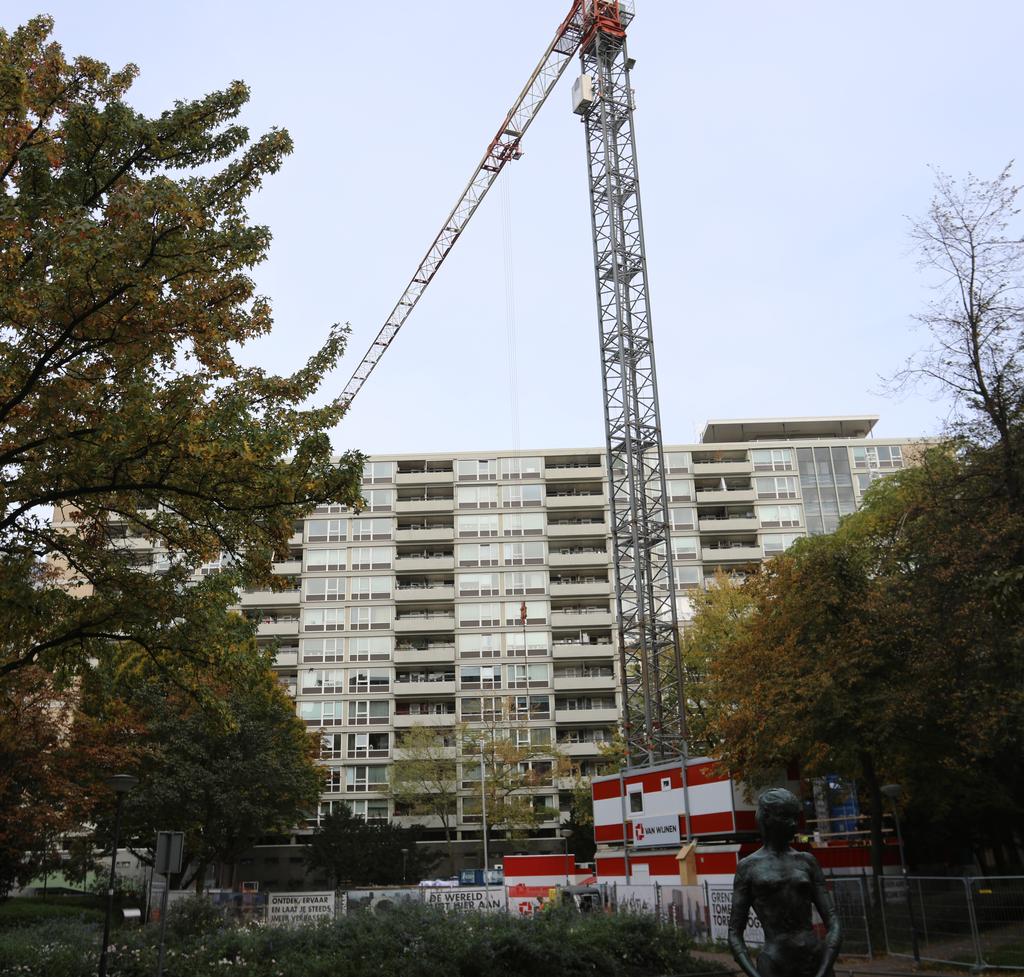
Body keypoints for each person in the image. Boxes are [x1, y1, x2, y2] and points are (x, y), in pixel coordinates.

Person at [728, 788, 842, 977]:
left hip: (815, 960)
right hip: (775, 963)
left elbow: (834, 922)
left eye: (794, 817)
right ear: (766, 818)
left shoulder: (807, 861)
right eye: (785, 817)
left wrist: (824, 969)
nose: (793, 824)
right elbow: (734, 933)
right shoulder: (748, 867)